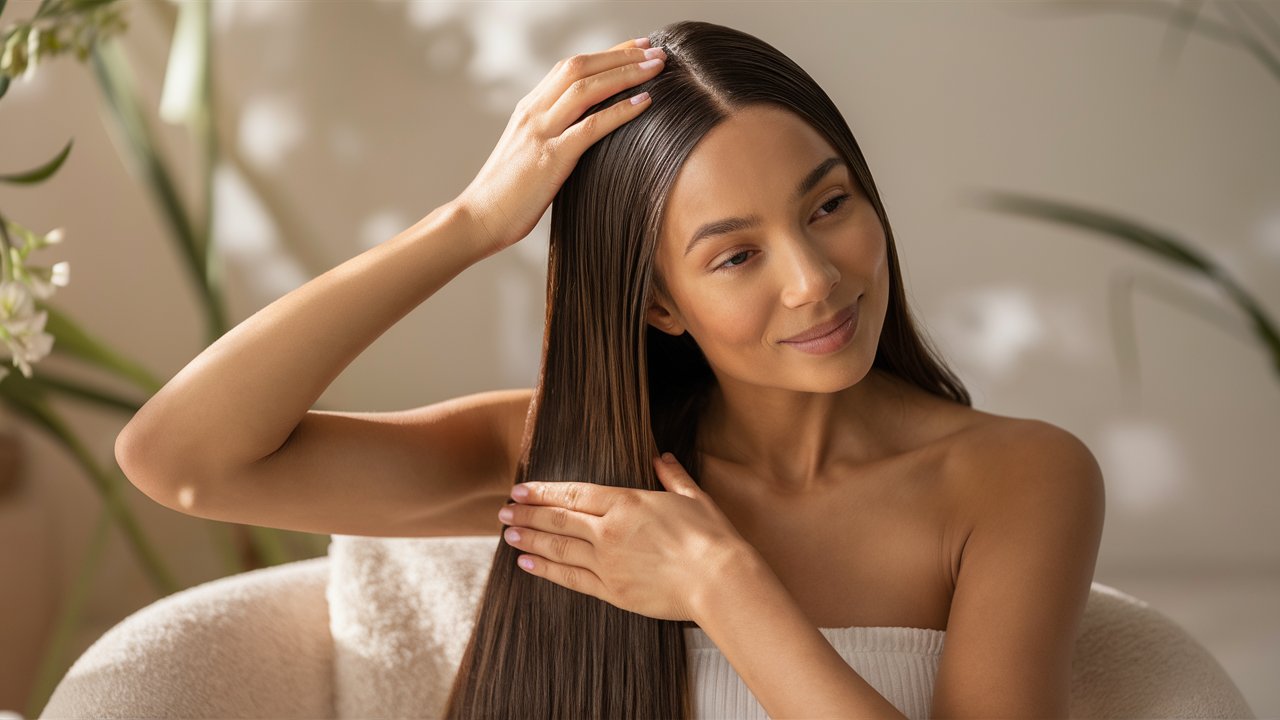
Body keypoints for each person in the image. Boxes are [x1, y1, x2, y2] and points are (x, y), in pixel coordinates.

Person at [116, 19, 1105, 720]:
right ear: (656, 304)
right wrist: (469, 226)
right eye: (735, 254)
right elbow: (183, 460)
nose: (813, 281)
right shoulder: (567, 460)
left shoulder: (1013, 482)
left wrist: (723, 591)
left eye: (827, 205)